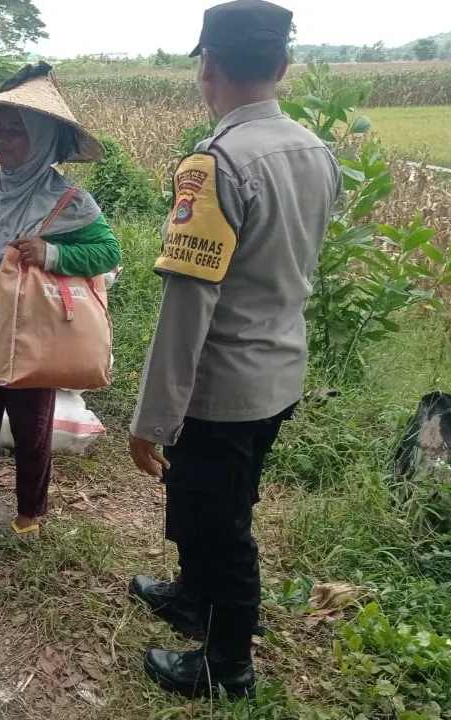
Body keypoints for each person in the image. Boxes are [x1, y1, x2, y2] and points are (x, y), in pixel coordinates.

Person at [125, 0, 341, 699]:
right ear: (282, 65)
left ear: (208, 65)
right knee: (216, 501)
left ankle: (227, 664)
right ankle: (193, 597)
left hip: (221, 386)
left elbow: (189, 304)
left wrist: (152, 418)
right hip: (279, 371)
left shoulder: (216, 164)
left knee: (222, 525)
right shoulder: (315, 151)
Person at [0, 63, 121, 553]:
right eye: (0, 129)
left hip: (30, 338)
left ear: (41, 140)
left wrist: (52, 253)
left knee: (31, 433)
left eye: (15, 130)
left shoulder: (67, 200)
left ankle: (29, 513)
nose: (2, 140)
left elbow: (108, 252)